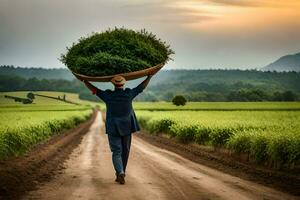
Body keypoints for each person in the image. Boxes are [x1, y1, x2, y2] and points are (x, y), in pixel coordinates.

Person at [81, 72, 155, 184]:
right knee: (125, 151)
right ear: (123, 84)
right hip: (127, 127)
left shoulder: (108, 95)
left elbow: (95, 90)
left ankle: (120, 172)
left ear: (113, 84)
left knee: (116, 152)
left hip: (113, 127)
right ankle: (121, 172)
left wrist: (85, 81)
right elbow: (141, 87)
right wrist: (149, 77)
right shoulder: (129, 94)